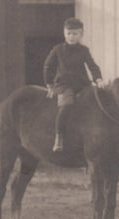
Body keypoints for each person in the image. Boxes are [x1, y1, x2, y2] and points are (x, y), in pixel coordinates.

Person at [43, 17, 106, 152]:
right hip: (64, 85)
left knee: (97, 100)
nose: (71, 37)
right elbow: (48, 66)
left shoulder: (84, 50)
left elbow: (92, 65)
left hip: (82, 84)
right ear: (64, 33)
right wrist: (49, 85)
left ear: (81, 34)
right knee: (67, 105)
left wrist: (98, 79)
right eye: (68, 33)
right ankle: (59, 137)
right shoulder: (58, 49)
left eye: (75, 34)